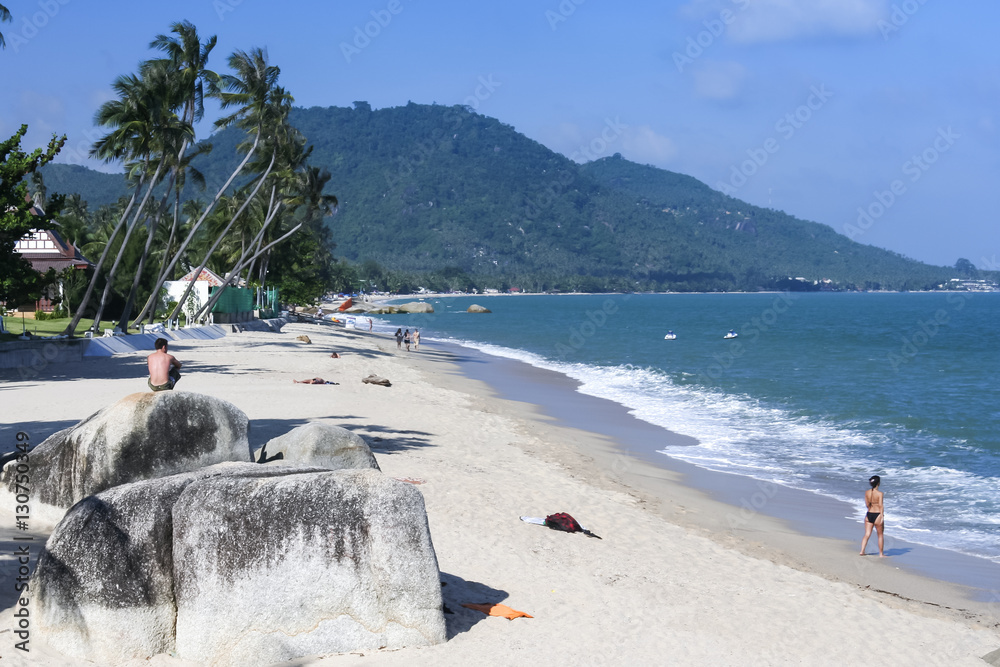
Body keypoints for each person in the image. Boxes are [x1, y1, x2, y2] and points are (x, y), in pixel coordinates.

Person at [860, 475, 885, 557]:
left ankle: (862, 551)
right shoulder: (880, 494)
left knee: (867, 534)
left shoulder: (867, 492)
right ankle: (881, 554)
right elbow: (881, 505)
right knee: (880, 535)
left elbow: (867, 504)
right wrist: (882, 516)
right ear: (878, 483)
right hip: (877, 514)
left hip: (869, 514)